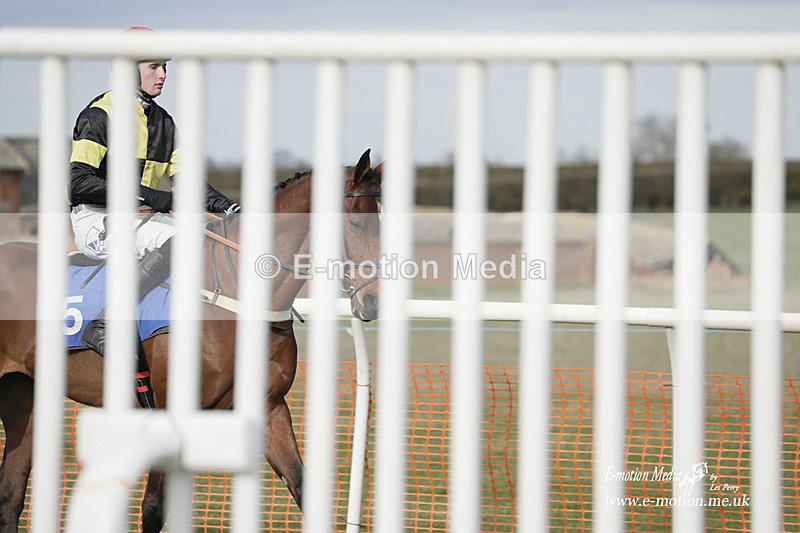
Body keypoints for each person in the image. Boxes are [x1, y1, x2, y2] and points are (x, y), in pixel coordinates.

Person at [68, 26, 240, 360]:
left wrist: (230, 208)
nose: (162, 75)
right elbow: (78, 184)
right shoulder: (98, 115)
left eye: (164, 67)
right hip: (94, 220)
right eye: (154, 67)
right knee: (177, 240)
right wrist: (149, 196)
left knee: (209, 238)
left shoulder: (165, 122)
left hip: (140, 219)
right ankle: (104, 323)